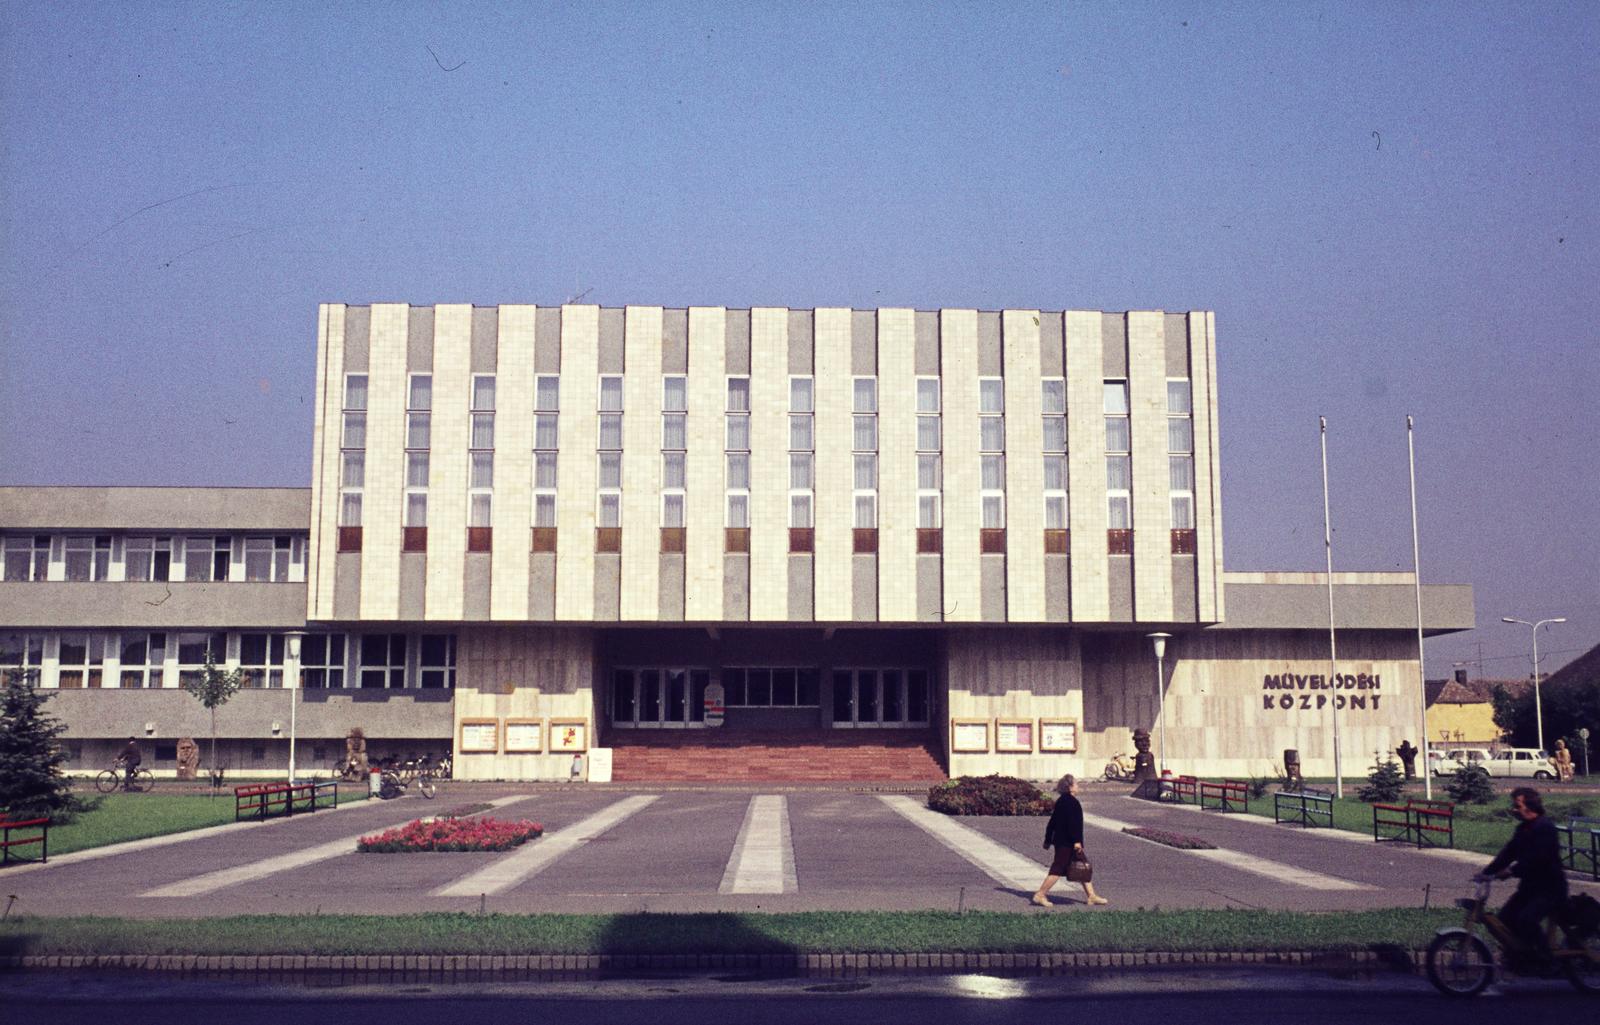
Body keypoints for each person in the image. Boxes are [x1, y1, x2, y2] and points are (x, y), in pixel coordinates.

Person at [1477, 786, 1567, 971]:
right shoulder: (1523, 829)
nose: (1514, 809)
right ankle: (1523, 958)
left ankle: (1547, 960)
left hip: (1550, 889)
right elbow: (1508, 853)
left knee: (1527, 919)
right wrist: (1487, 872)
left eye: (1518, 806)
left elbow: (1537, 859)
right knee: (1505, 919)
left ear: (1530, 806)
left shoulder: (1545, 828)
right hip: (1530, 888)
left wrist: (1511, 871)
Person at [1032, 774, 1108, 907]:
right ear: (1070, 787)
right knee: (1057, 869)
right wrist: (1077, 841)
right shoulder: (1072, 803)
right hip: (1067, 843)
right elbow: (1073, 825)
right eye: (1076, 784)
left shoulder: (1061, 801)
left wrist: (1048, 840)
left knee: (1082, 866)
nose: (1078, 786)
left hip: (1062, 841)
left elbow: (1052, 822)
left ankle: (1091, 896)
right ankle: (1040, 895)